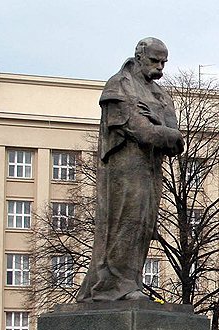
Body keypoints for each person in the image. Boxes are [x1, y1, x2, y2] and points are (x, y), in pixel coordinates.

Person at [76, 37, 185, 302]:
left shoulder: (160, 94)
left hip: (151, 168)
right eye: (155, 61)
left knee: (144, 226)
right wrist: (161, 128)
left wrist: (160, 125)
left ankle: (127, 283)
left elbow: (176, 140)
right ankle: (112, 285)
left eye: (164, 62)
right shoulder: (119, 85)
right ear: (139, 56)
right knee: (125, 223)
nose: (160, 68)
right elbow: (140, 130)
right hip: (125, 168)